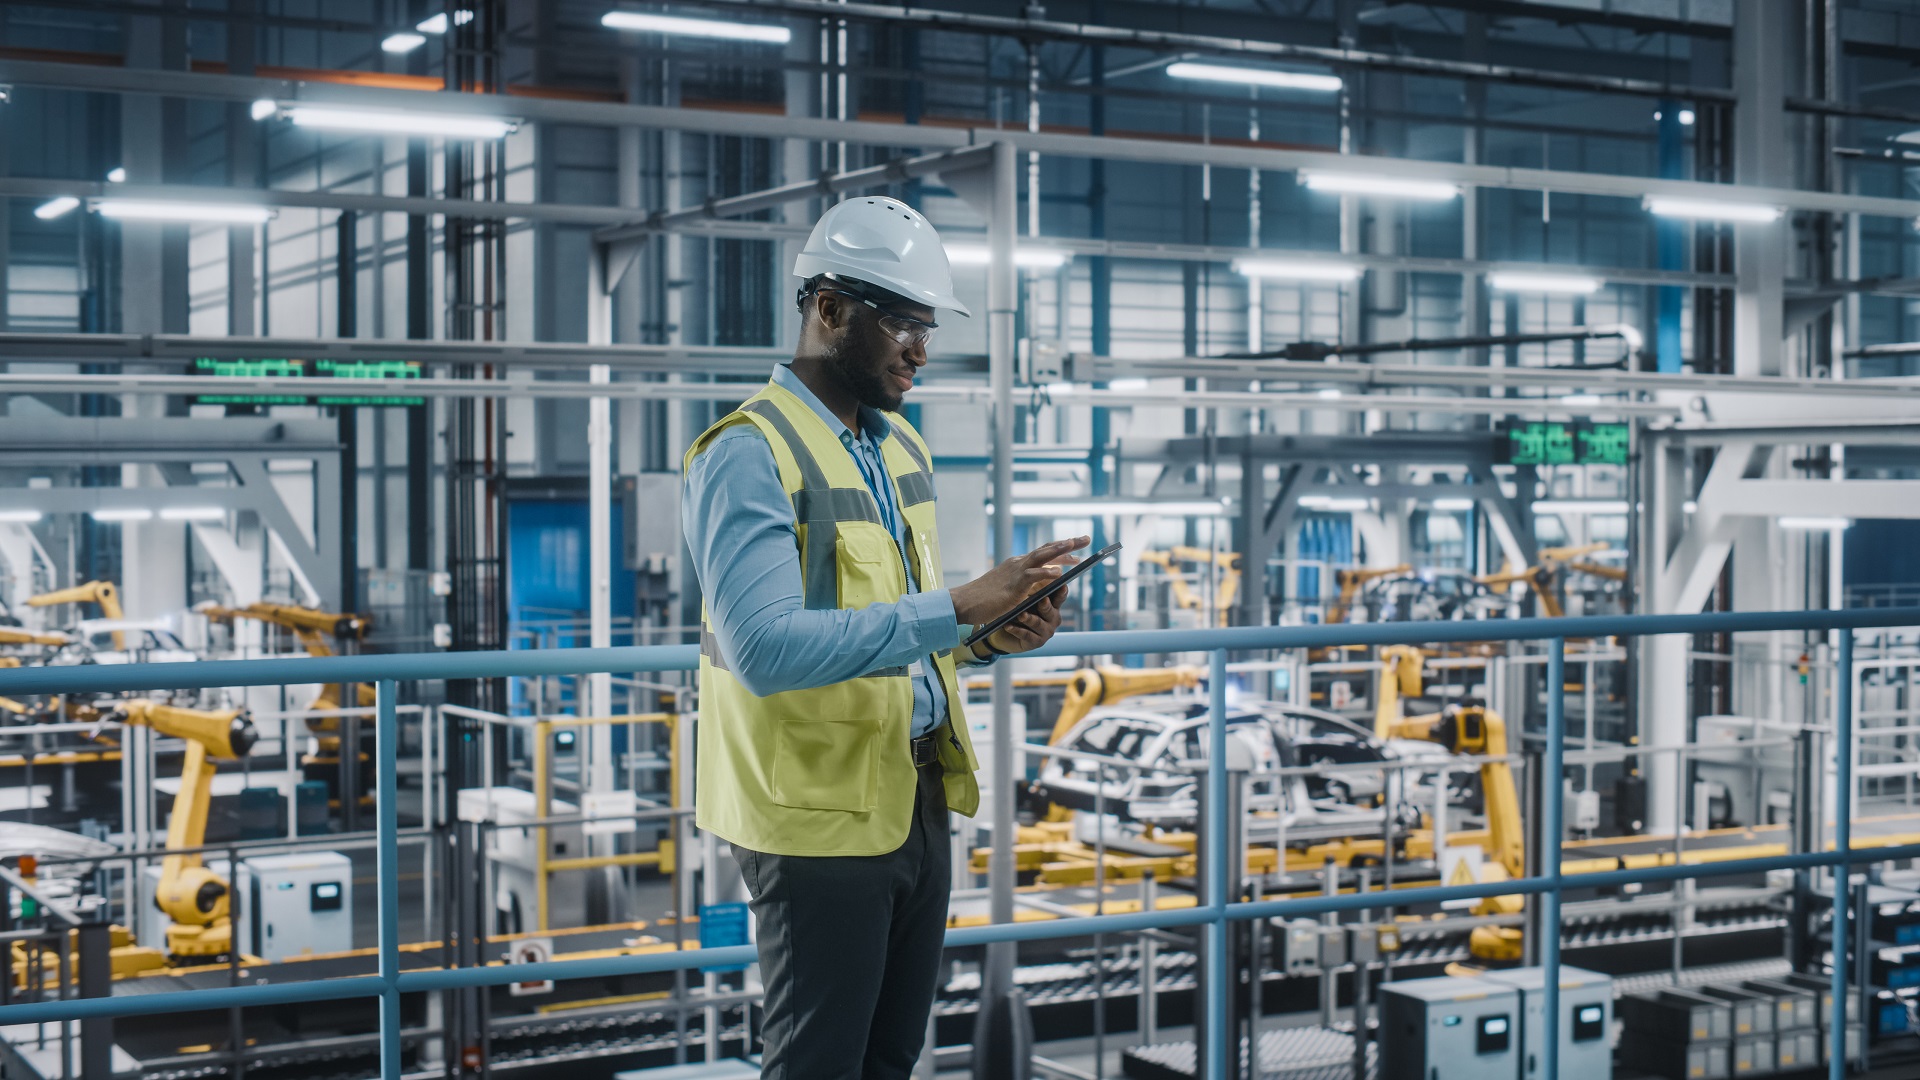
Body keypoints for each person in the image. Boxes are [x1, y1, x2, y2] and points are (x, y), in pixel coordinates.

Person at [680, 194, 1087, 1080]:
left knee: (892, 1060)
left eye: (926, 326)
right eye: (901, 323)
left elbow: (892, 634)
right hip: (815, 820)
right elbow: (767, 648)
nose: (921, 350)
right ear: (828, 310)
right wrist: (960, 606)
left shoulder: (902, 450)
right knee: (820, 1064)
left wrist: (989, 637)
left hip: (915, 797)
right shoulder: (747, 453)